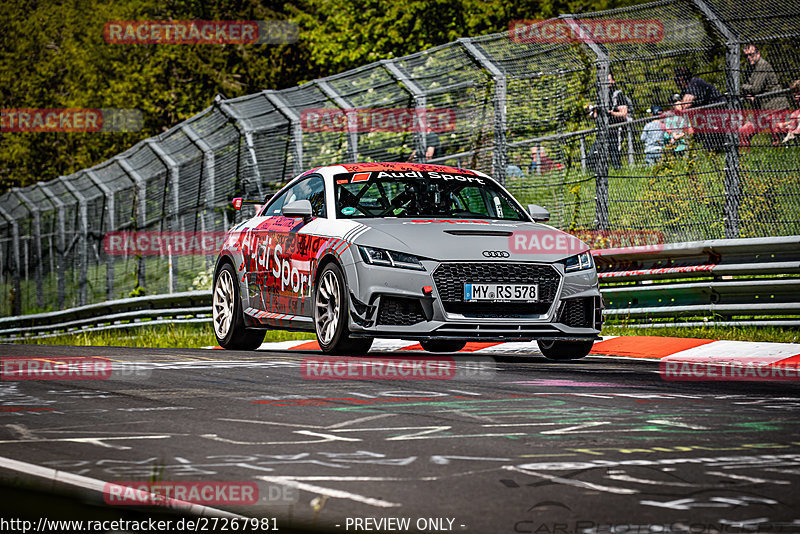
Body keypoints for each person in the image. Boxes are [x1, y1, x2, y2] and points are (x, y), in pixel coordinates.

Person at [739, 44, 790, 147]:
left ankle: (780, 159)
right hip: (762, 109)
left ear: (758, 53)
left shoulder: (762, 65)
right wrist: (749, 91)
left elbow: (755, 88)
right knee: (743, 133)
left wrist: (743, 87)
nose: (749, 58)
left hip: (776, 107)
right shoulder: (750, 67)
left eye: (751, 54)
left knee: (778, 140)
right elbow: (751, 90)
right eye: (746, 56)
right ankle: (744, 160)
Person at [587, 72, 632, 173]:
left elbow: (624, 113)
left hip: (615, 129)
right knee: (593, 153)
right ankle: (595, 172)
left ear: (613, 81)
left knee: (614, 153)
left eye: (608, 80)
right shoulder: (600, 96)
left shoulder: (617, 95)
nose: (606, 82)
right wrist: (593, 111)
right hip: (602, 129)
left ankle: (618, 173)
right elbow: (595, 116)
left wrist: (611, 113)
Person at [674, 67, 725, 152]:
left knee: (713, 146)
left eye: (677, 80)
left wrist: (678, 104)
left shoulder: (695, 83)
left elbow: (686, 104)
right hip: (706, 120)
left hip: (719, 114)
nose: (676, 83)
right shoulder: (685, 89)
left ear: (681, 79)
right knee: (704, 145)